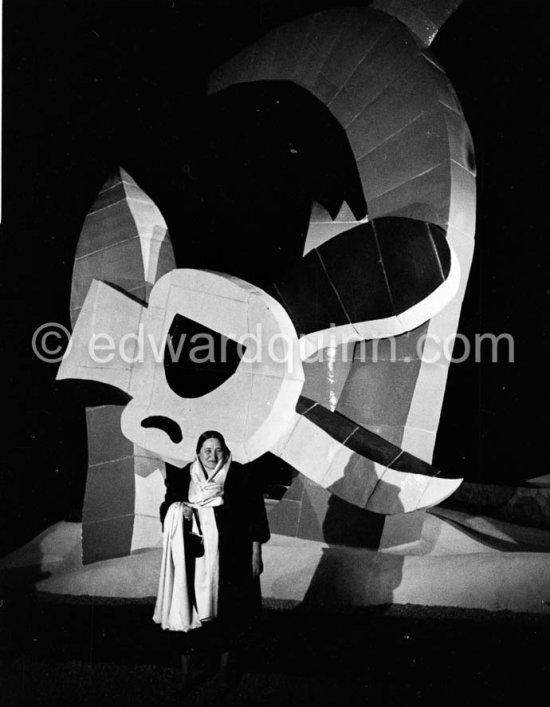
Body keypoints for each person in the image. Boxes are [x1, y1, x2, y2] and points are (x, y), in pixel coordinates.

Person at [153, 430, 270, 687]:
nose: (212, 456)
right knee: (192, 608)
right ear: (197, 452)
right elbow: (166, 506)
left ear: (226, 452)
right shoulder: (184, 476)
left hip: (232, 558)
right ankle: (190, 671)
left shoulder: (239, 475)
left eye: (218, 450)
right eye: (207, 450)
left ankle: (226, 672)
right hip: (195, 558)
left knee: (231, 611)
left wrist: (256, 553)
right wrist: (178, 510)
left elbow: (255, 516)